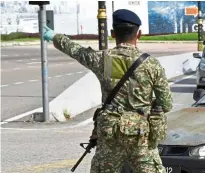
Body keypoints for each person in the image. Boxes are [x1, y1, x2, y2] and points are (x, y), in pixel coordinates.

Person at [43, 9, 173, 173]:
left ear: (112, 33)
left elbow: (75, 50)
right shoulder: (151, 64)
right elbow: (166, 104)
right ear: (138, 34)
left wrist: (54, 37)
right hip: (141, 135)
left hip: (110, 133)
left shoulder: (102, 60)